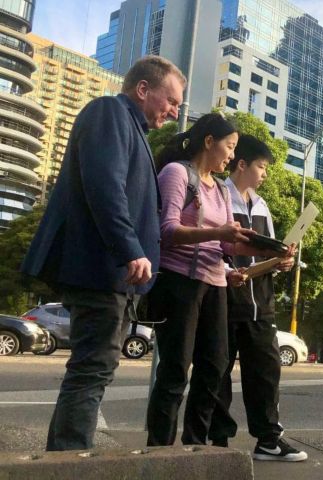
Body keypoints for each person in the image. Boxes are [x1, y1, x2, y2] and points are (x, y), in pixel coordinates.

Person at [20, 56, 185, 451]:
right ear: (143, 89)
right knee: (92, 369)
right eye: (172, 101)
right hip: (100, 268)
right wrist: (130, 248)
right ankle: (70, 462)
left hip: (112, 273)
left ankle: (64, 460)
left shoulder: (133, 129)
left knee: (93, 369)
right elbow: (104, 185)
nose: (175, 112)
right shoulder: (109, 111)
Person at [145, 114, 269, 446]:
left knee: (214, 367)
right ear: (209, 142)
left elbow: (228, 243)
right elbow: (167, 231)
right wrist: (218, 232)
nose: (231, 156)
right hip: (180, 282)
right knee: (175, 369)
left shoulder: (220, 190)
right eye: (229, 147)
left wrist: (271, 252)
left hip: (216, 284)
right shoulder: (177, 174)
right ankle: (159, 449)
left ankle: (196, 445)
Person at [207, 134, 306, 461]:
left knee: (265, 372)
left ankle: (268, 440)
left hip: (261, 305)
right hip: (225, 301)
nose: (264, 174)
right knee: (218, 372)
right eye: (261, 167)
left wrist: (282, 260)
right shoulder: (218, 196)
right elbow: (213, 248)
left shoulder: (262, 205)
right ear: (242, 164)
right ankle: (218, 441)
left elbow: (267, 253)